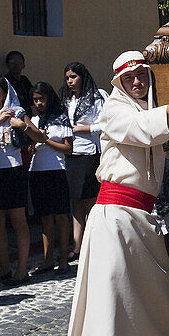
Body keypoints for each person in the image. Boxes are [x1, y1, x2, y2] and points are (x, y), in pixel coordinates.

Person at [62, 51, 169, 336]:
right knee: (110, 294)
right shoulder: (115, 109)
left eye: (142, 76)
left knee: (158, 287)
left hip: (140, 215)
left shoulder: (146, 110)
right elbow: (141, 131)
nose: (137, 82)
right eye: (130, 79)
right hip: (115, 215)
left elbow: (163, 146)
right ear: (119, 83)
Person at [14, 83, 73, 275]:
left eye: (42, 99)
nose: (39, 103)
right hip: (37, 170)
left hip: (55, 170)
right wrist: (33, 144)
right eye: (35, 100)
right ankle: (48, 259)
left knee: (61, 217)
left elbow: (68, 148)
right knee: (45, 217)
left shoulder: (61, 118)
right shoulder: (34, 120)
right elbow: (32, 144)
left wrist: (45, 140)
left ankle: (63, 259)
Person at [60, 63, 106, 259]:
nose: (70, 81)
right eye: (67, 78)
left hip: (88, 153)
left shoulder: (96, 98)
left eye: (73, 77)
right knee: (75, 202)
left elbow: (104, 124)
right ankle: (77, 245)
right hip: (72, 153)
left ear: (82, 77)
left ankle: (91, 244)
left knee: (89, 201)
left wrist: (80, 129)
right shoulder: (67, 100)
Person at [0, 77, 33, 284]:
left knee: (18, 220)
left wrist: (20, 125)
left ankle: (22, 268)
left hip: (13, 170)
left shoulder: (15, 111)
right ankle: (4, 267)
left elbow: (36, 135)